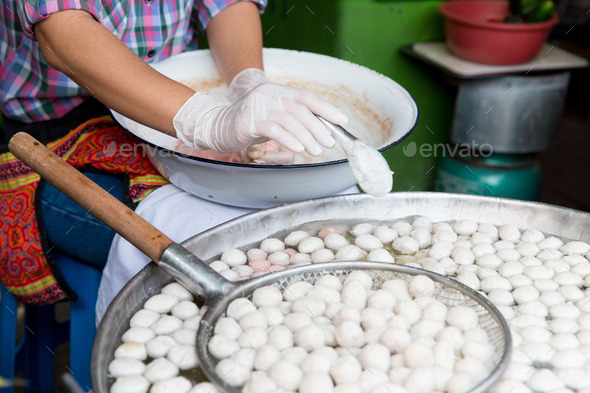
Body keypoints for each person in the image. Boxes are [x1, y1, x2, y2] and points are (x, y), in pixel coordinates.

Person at [0, 0, 349, 311]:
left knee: (322, 222)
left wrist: (247, 83)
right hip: (53, 130)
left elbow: (227, 4)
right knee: (221, 250)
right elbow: (62, 35)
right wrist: (208, 121)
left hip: (168, 95)